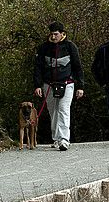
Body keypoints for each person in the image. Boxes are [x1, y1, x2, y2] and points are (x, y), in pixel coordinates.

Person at [33, 21, 83, 151]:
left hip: (67, 83)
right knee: (53, 111)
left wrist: (80, 86)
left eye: (56, 34)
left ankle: (64, 139)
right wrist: (38, 85)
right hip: (48, 84)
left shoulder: (70, 47)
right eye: (52, 34)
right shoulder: (44, 48)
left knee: (63, 109)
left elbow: (78, 67)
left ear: (62, 34)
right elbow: (38, 67)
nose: (54, 37)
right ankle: (56, 138)